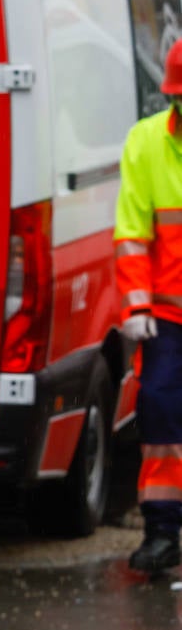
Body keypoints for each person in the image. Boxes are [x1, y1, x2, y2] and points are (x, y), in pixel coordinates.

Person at [116, 38, 182, 573]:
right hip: (168, 318)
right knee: (159, 413)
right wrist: (135, 308)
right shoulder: (146, 144)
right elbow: (132, 235)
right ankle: (162, 532)